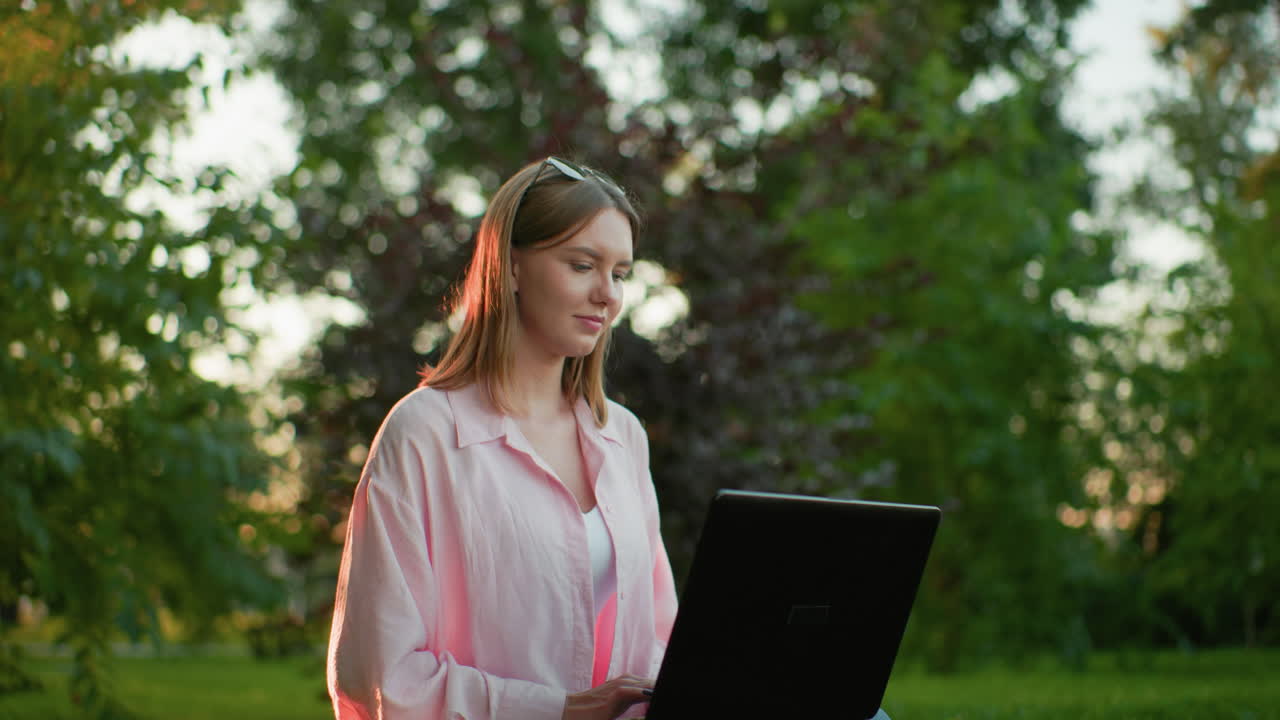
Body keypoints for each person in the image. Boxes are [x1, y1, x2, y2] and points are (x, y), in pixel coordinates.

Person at [326, 157, 677, 720]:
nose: (607, 294)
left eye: (620, 274)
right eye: (583, 265)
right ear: (511, 267)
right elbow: (382, 676)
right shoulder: (425, 435)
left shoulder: (623, 437)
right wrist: (560, 711)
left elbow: (661, 636)